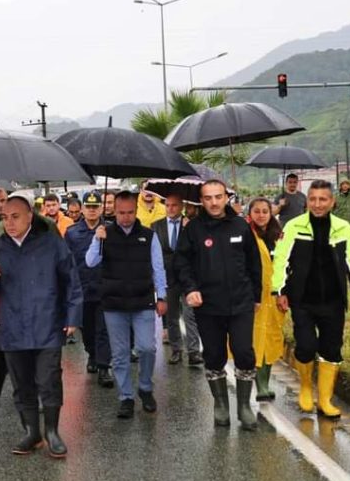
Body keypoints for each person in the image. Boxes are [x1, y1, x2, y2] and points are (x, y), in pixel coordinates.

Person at [0, 191, 82, 457]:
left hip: (46, 323)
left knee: (49, 380)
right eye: (5, 217)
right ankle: (31, 432)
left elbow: (71, 280)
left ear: (29, 217)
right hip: (12, 326)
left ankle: (52, 432)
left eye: (15, 217)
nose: (9, 222)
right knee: (22, 384)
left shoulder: (50, 242)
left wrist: (72, 317)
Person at [272, 180, 350, 419]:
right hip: (302, 299)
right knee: (305, 347)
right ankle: (305, 386)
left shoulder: (343, 228)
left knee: (332, 349)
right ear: (307, 202)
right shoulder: (294, 227)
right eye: (312, 199)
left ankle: (325, 399)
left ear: (332, 202)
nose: (317, 204)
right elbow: (281, 260)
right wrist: (279, 291)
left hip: (333, 301)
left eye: (322, 199)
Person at [174, 180, 261, 431]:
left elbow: (254, 264)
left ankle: (244, 406)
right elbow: (182, 263)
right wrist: (190, 289)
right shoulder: (193, 230)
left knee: (244, 352)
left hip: (241, 303)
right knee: (213, 355)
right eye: (208, 197)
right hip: (208, 306)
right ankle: (220, 404)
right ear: (201, 201)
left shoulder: (241, 226)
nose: (213, 202)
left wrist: (256, 296)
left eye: (218, 196)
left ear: (226, 197)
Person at [85, 191, 167, 419]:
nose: (126, 217)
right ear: (114, 211)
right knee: (119, 354)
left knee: (147, 348)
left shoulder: (149, 236)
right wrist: (96, 239)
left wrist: (162, 296)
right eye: (121, 213)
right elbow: (90, 262)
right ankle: (126, 397)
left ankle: (145, 387)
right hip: (113, 302)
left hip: (143, 301)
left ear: (136, 210)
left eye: (130, 212)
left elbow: (158, 268)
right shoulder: (105, 233)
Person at [64, 191, 114, 387]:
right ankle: (92, 354)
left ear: (101, 208)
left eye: (95, 207)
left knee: (104, 329)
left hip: (105, 287)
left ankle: (104, 367)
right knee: (87, 329)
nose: (92, 210)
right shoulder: (72, 232)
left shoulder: (110, 229)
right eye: (89, 207)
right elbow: (67, 262)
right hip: (82, 289)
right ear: (83, 209)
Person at [151, 193, 203, 367]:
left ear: (181, 207)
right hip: (167, 275)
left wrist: (189, 229)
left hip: (187, 275)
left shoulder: (191, 225)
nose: (170, 208)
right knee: (171, 315)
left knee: (190, 314)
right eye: (168, 205)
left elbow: (198, 248)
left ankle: (194, 351)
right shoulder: (156, 226)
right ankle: (176, 350)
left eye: (174, 205)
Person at [247, 197, 285, 401]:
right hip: (255, 296)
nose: (261, 215)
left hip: (276, 295)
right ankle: (259, 385)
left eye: (265, 211)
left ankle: (266, 382)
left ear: (271, 213)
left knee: (272, 339)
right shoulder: (246, 235)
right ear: (250, 213)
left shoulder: (279, 235)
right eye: (257, 211)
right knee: (257, 340)